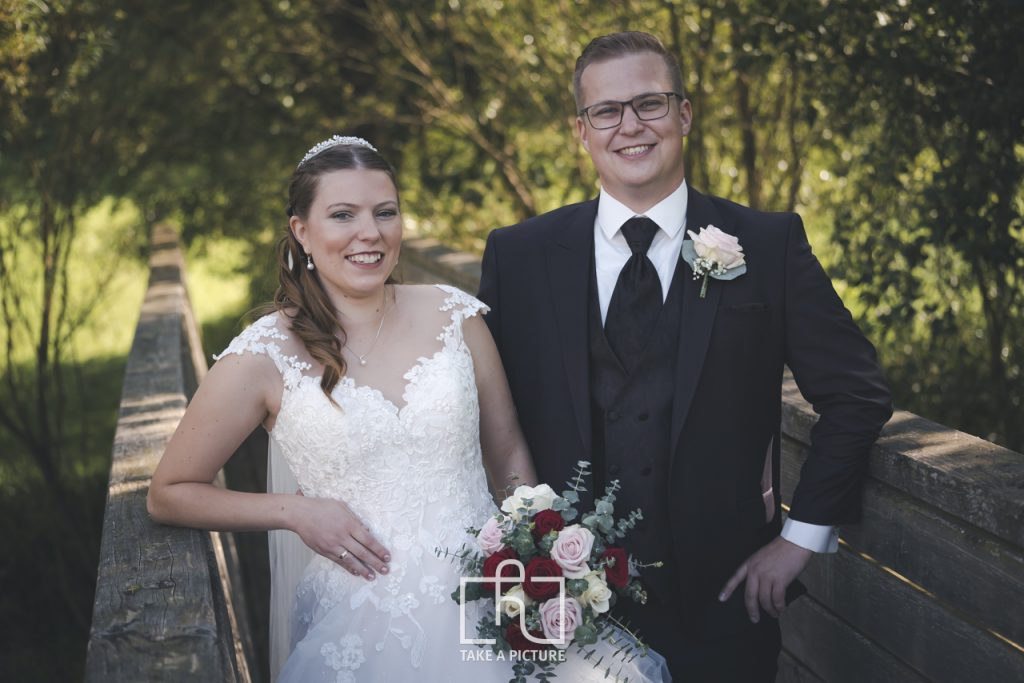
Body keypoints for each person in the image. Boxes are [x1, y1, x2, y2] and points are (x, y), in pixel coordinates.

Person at [147, 136, 670, 682]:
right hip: (360, 620)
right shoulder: (263, 355)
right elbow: (170, 492)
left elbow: (508, 452)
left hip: (490, 597)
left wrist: (539, 559)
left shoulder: (453, 313)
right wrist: (294, 512)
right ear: (301, 231)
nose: (369, 232)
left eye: (385, 212)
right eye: (342, 214)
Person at [478, 32, 893, 682]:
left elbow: (857, 394)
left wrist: (799, 538)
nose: (631, 126)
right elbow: (479, 419)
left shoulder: (767, 243)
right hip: (563, 613)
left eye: (650, 103)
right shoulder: (519, 255)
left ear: (684, 114)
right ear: (581, 131)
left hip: (727, 608)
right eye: (607, 111)